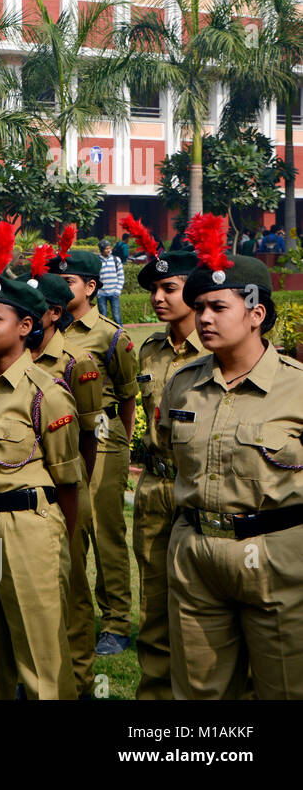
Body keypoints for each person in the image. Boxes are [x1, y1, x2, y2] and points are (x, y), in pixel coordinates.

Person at [159, 214, 303, 699]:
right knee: (199, 693)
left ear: (256, 313)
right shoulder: (183, 383)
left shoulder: (297, 388)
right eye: (199, 307)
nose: (203, 318)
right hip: (197, 557)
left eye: (218, 307)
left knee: (284, 687)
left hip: (278, 561)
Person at [0, 223, 83, 699]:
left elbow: (69, 482)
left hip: (26, 528)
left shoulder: (44, 394)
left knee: (40, 661)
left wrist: (59, 548)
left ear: (26, 326)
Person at [20, 248, 105, 699]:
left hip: (67, 484)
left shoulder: (75, 363)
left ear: (53, 314)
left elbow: (90, 436)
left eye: (34, 310)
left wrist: (77, 487)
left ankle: (81, 678)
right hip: (22, 496)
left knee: (70, 586)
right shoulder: (13, 359)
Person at [127, 220, 204, 700]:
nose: (158, 297)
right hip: (154, 488)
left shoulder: (215, 351)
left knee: (199, 606)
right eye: (154, 289)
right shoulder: (151, 349)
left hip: (195, 487)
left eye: (169, 288)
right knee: (154, 606)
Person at [52, 231, 138, 658]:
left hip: (103, 439)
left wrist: (115, 440)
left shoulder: (108, 335)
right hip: (60, 441)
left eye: (68, 280)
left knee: (106, 532)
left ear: (90, 287)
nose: (59, 285)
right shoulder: (45, 330)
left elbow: (127, 396)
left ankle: (118, 620)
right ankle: (73, 617)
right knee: (68, 532)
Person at [97, 240, 124, 326]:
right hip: (101, 294)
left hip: (114, 293)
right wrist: (97, 292)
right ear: (101, 250)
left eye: (109, 248)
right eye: (106, 249)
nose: (109, 250)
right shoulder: (97, 262)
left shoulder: (116, 260)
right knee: (103, 318)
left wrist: (117, 291)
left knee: (117, 317)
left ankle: (120, 336)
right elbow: (94, 278)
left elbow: (121, 276)